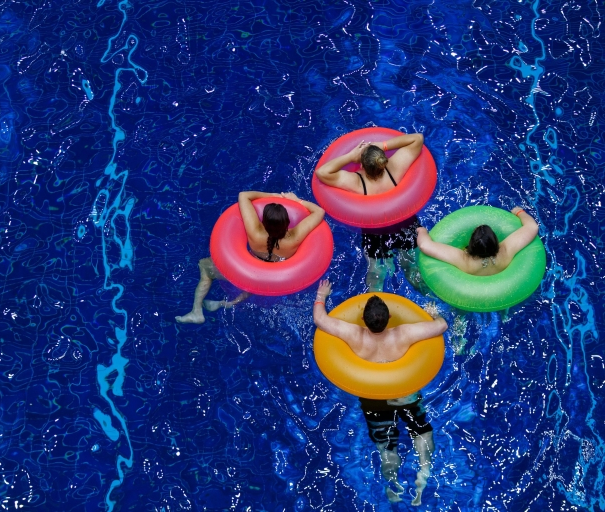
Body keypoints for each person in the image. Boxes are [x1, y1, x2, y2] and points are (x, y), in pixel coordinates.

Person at [312, 279, 448, 504]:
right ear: (390, 318)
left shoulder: (354, 334)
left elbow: (320, 319)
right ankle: (423, 474)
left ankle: (394, 487)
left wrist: (321, 295)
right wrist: (432, 312)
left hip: (374, 398)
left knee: (386, 445)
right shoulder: (403, 333)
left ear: (363, 321)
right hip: (405, 392)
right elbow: (441, 326)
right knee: (421, 428)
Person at [175, 191, 324, 324]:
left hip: (251, 272)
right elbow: (319, 211)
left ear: (263, 222)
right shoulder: (295, 236)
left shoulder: (255, 231)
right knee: (257, 280)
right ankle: (227, 303)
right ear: (287, 223)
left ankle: (196, 312)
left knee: (204, 265)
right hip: (276, 278)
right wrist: (297, 200)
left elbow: (243, 195)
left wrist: (275, 195)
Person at [315, 133, 426, 292]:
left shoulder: (358, 182)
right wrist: (383, 145)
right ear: (383, 160)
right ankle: (431, 300)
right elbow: (418, 138)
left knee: (375, 271)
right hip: (405, 225)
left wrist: (350, 157)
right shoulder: (394, 169)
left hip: (375, 233)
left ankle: (374, 304)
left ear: (362, 166)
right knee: (411, 268)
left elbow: (322, 172)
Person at [416, 207, 539, 276]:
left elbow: (424, 245)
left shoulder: (464, 260)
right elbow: (533, 227)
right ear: (496, 242)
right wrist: (519, 212)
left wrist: (422, 231)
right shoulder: (505, 251)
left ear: (471, 245)